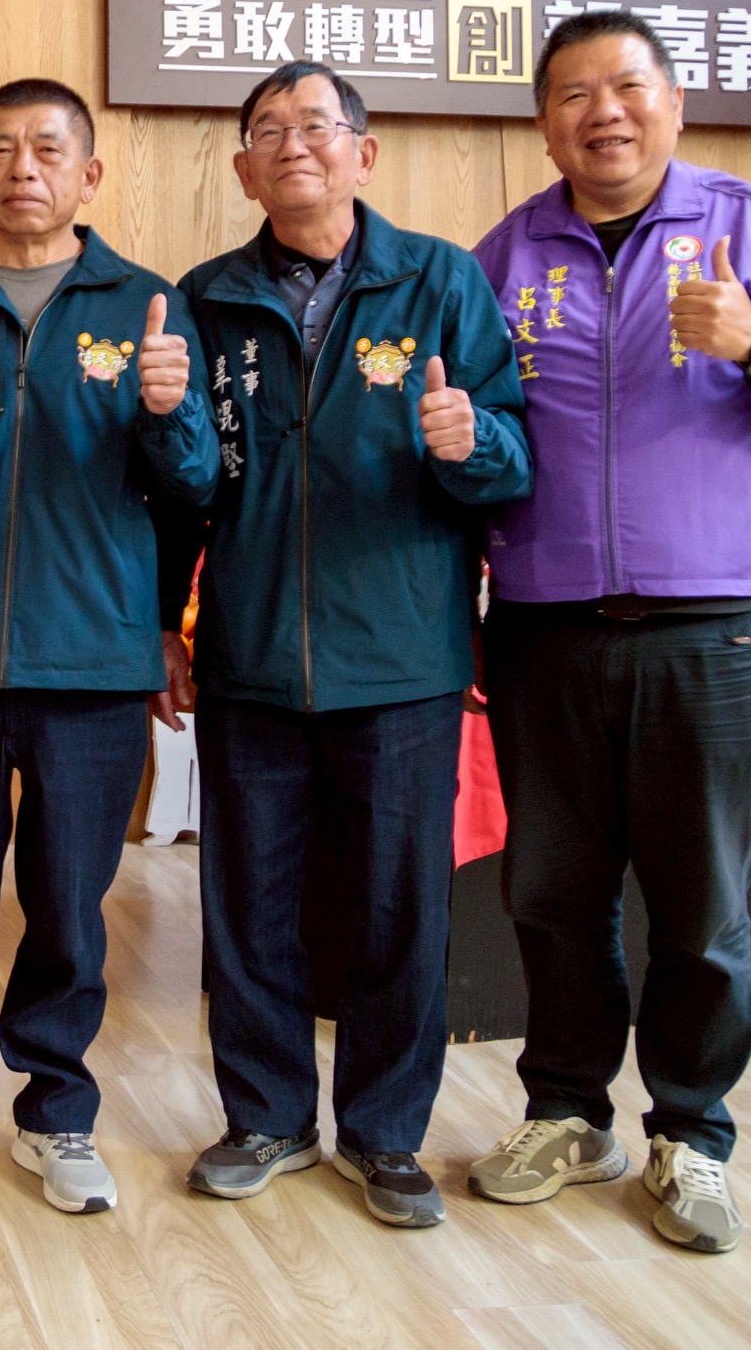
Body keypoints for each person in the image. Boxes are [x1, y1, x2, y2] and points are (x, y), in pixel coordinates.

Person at [466, 11, 751, 1253]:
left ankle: (692, 1132)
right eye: (574, 94)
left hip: (716, 631)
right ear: (544, 125)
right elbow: (475, 430)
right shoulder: (503, 257)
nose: (604, 111)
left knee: (702, 903)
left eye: (628, 86)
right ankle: (567, 1111)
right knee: (552, 892)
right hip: (544, 626)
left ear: (676, 102)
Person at [168, 62, 531, 1228]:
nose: (295, 145)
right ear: (243, 170)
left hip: (403, 657)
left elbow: (513, 459)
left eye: (317, 126)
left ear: (363, 153)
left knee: (397, 909)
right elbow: (181, 489)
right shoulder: (208, 297)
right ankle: (267, 1116)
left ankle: (384, 1133)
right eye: (268, 130)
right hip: (251, 653)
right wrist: (162, 622)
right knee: (248, 905)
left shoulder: (441, 280)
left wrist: (469, 440)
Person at [0, 77, 215, 1216]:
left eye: (49, 149)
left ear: (89, 175)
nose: (24, 167)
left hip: (92, 655)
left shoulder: (146, 305)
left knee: (68, 904)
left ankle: (58, 1112)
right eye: (2, 148)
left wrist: (172, 410)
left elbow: (197, 484)